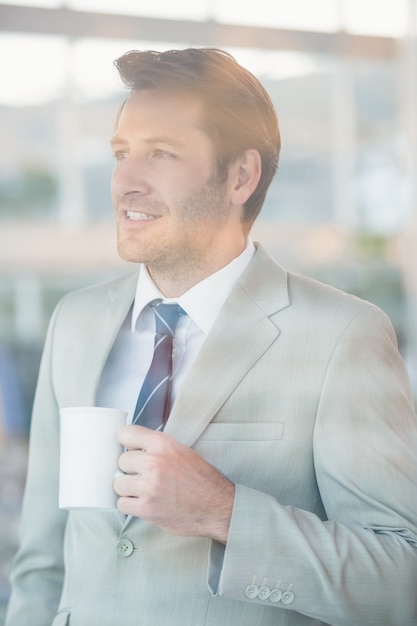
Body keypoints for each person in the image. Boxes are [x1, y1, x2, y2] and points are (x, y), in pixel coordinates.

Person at [5, 48, 417, 626]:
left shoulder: (341, 335)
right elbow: (43, 561)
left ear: (241, 175)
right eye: (122, 153)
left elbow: (401, 581)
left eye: (162, 154)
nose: (124, 180)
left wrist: (224, 512)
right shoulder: (74, 320)